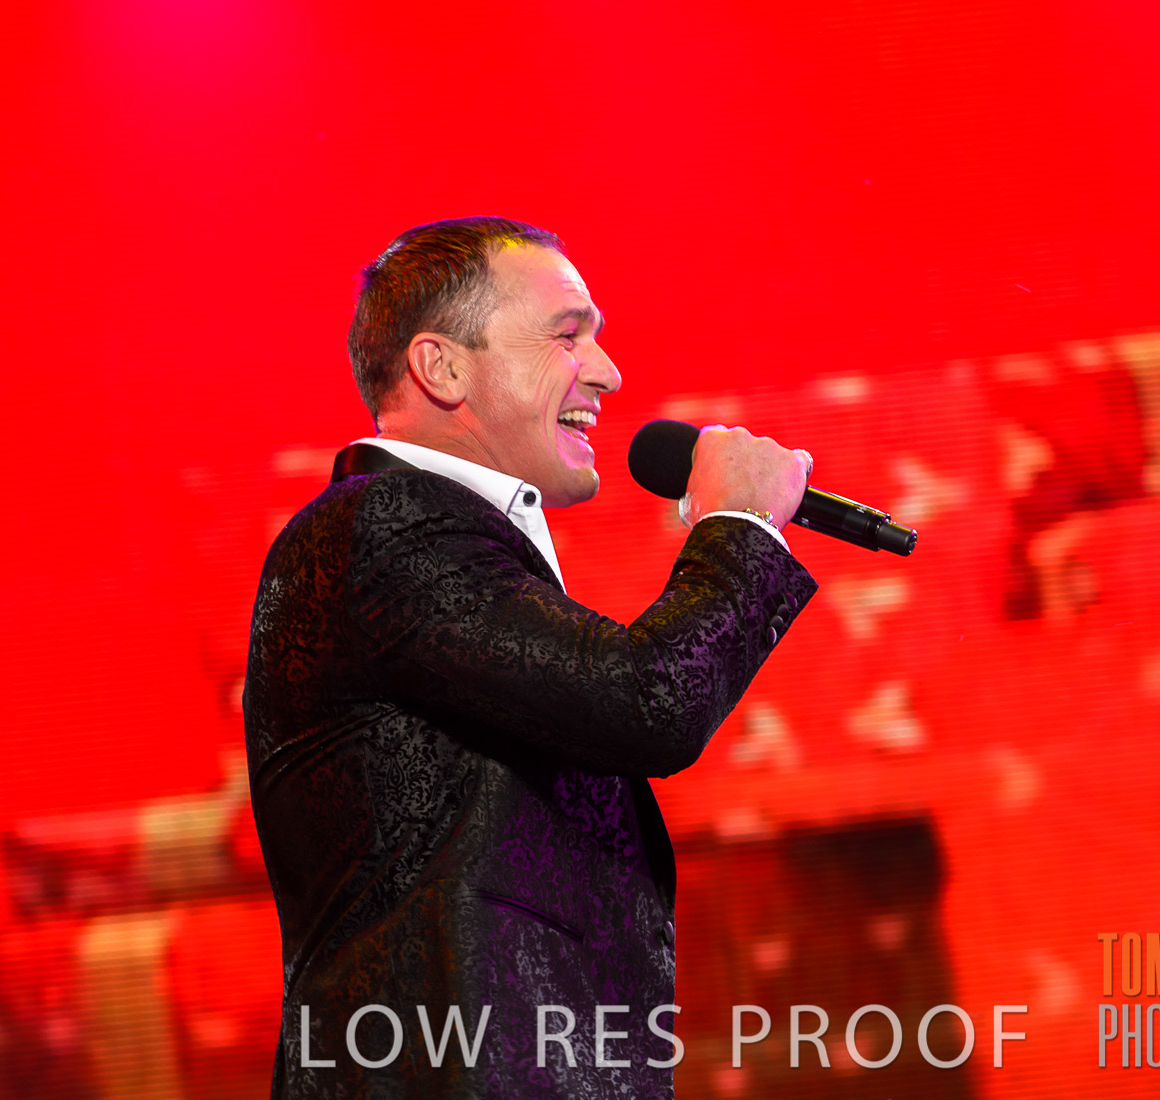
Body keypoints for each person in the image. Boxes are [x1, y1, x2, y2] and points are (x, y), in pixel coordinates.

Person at [244, 216, 817, 1098]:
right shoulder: (385, 524)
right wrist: (736, 525)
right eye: (566, 335)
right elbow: (646, 702)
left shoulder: (441, 541)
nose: (607, 370)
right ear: (441, 368)